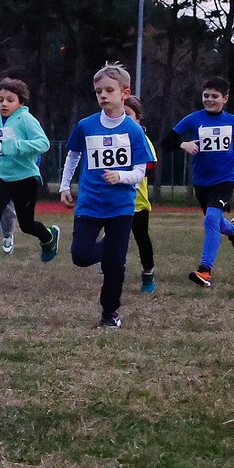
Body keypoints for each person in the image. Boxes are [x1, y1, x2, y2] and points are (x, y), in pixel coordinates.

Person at [57, 64, 152, 328]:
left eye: (109, 90)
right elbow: (73, 156)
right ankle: (110, 246)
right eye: (99, 91)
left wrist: (120, 177)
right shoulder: (86, 126)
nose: (103, 95)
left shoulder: (134, 131)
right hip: (89, 204)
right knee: (81, 256)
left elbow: (141, 171)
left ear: (124, 93)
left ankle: (109, 313)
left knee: (114, 266)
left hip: (121, 207)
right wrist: (65, 186)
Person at [170, 75, 234, 288]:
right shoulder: (193, 119)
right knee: (215, 222)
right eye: (206, 95)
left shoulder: (233, 121)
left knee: (210, 220)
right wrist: (185, 145)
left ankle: (205, 270)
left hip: (225, 180)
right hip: (201, 182)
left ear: (225, 98)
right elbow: (167, 141)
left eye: (214, 96)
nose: (209, 99)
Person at [0, 77, 59, 281]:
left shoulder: (26, 120)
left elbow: (43, 143)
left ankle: (48, 236)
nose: (4, 104)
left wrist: (18, 146)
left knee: (26, 224)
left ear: (21, 102)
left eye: (10, 100)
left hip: (25, 178)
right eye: (1, 99)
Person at [124, 96, 159, 294]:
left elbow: (150, 168)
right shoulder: (111, 137)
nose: (125, 118)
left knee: (141, 238)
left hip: (138, 202)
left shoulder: (142, 140)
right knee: (114, 236)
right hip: (115, 201)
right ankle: (112, 267)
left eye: (129, 114)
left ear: (138, 118)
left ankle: (148, 272)